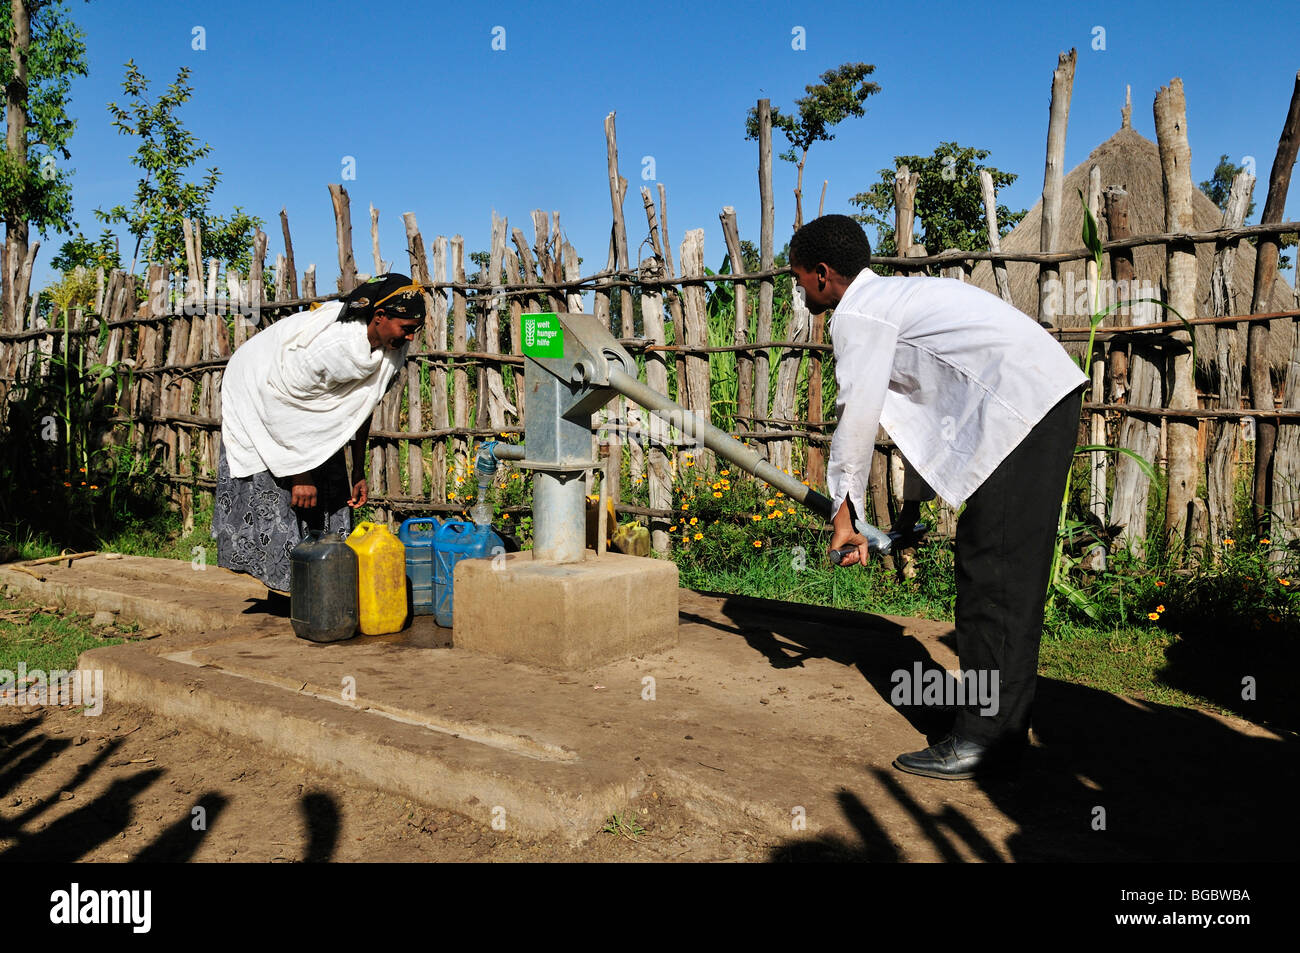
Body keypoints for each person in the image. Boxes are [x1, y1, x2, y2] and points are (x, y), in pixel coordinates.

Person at [789, 215, 1087, 780]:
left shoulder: (858, 314)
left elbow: (857, 419)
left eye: (800, 278)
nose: (800, 290)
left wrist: (842, 516)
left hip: (1022, 410)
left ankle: (984, 737)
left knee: (994, 575)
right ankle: (1004, 727)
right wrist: (908, 509)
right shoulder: (896, 298)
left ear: (823, 275)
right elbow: (930, 412)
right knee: (1006, 575)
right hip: (1036, 401)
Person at [214, 273, 426, 595]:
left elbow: (360, 407)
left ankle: (321, 585)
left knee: (332, 488)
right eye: (406, 329)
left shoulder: (390, 350)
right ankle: (291, 589)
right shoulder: (329, 348)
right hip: (258, 388)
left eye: (415, 330)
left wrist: (357, 469)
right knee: (282, 489)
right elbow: (277, 402)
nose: (411, 338)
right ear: (380, 317)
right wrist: (300, 473)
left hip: (297, 405)